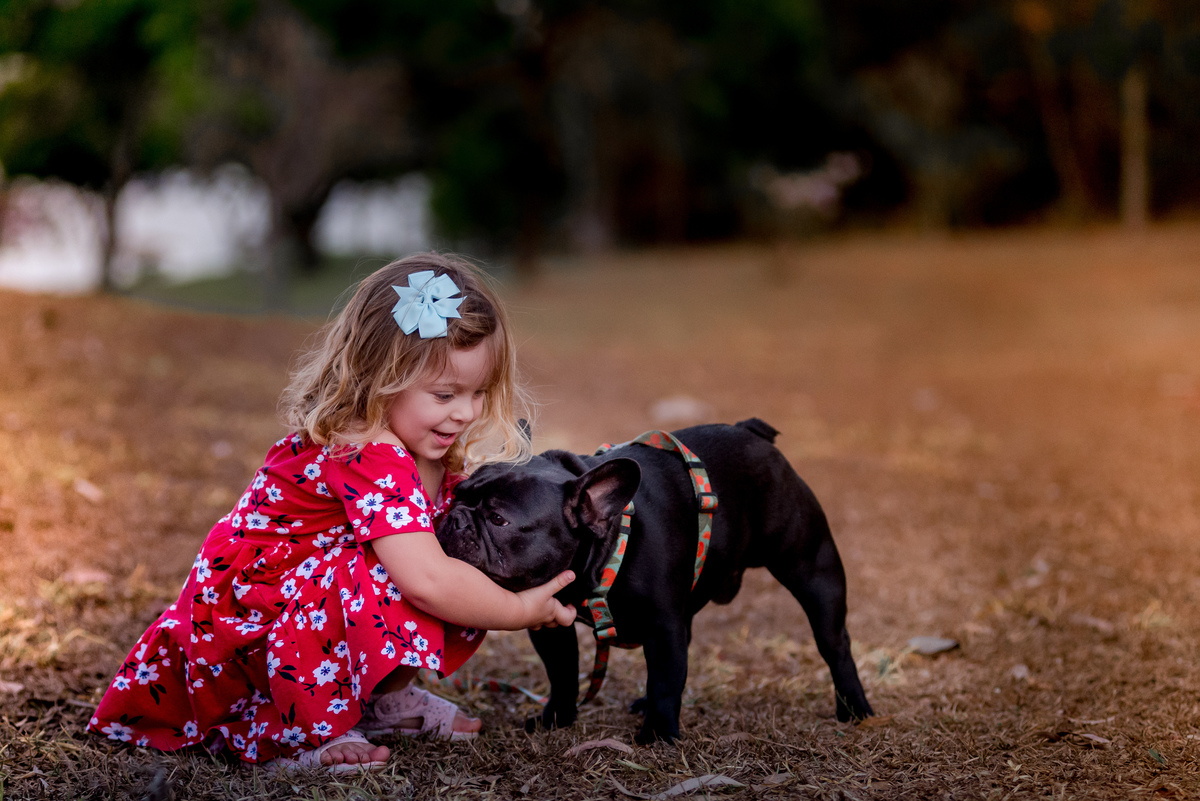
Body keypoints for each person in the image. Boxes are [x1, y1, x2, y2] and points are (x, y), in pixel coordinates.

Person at [87, 253, 576, 772]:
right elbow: (428, 581)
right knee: (422, 573)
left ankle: (378, 702)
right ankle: (296, 732)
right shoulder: (368, 449)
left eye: (479, 393)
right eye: (445, 394)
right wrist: (520, 612)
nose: (466, 411)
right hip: (252, 626)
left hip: (296, 613)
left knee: (456, 554)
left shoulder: (425, 446)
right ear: (379, 379)